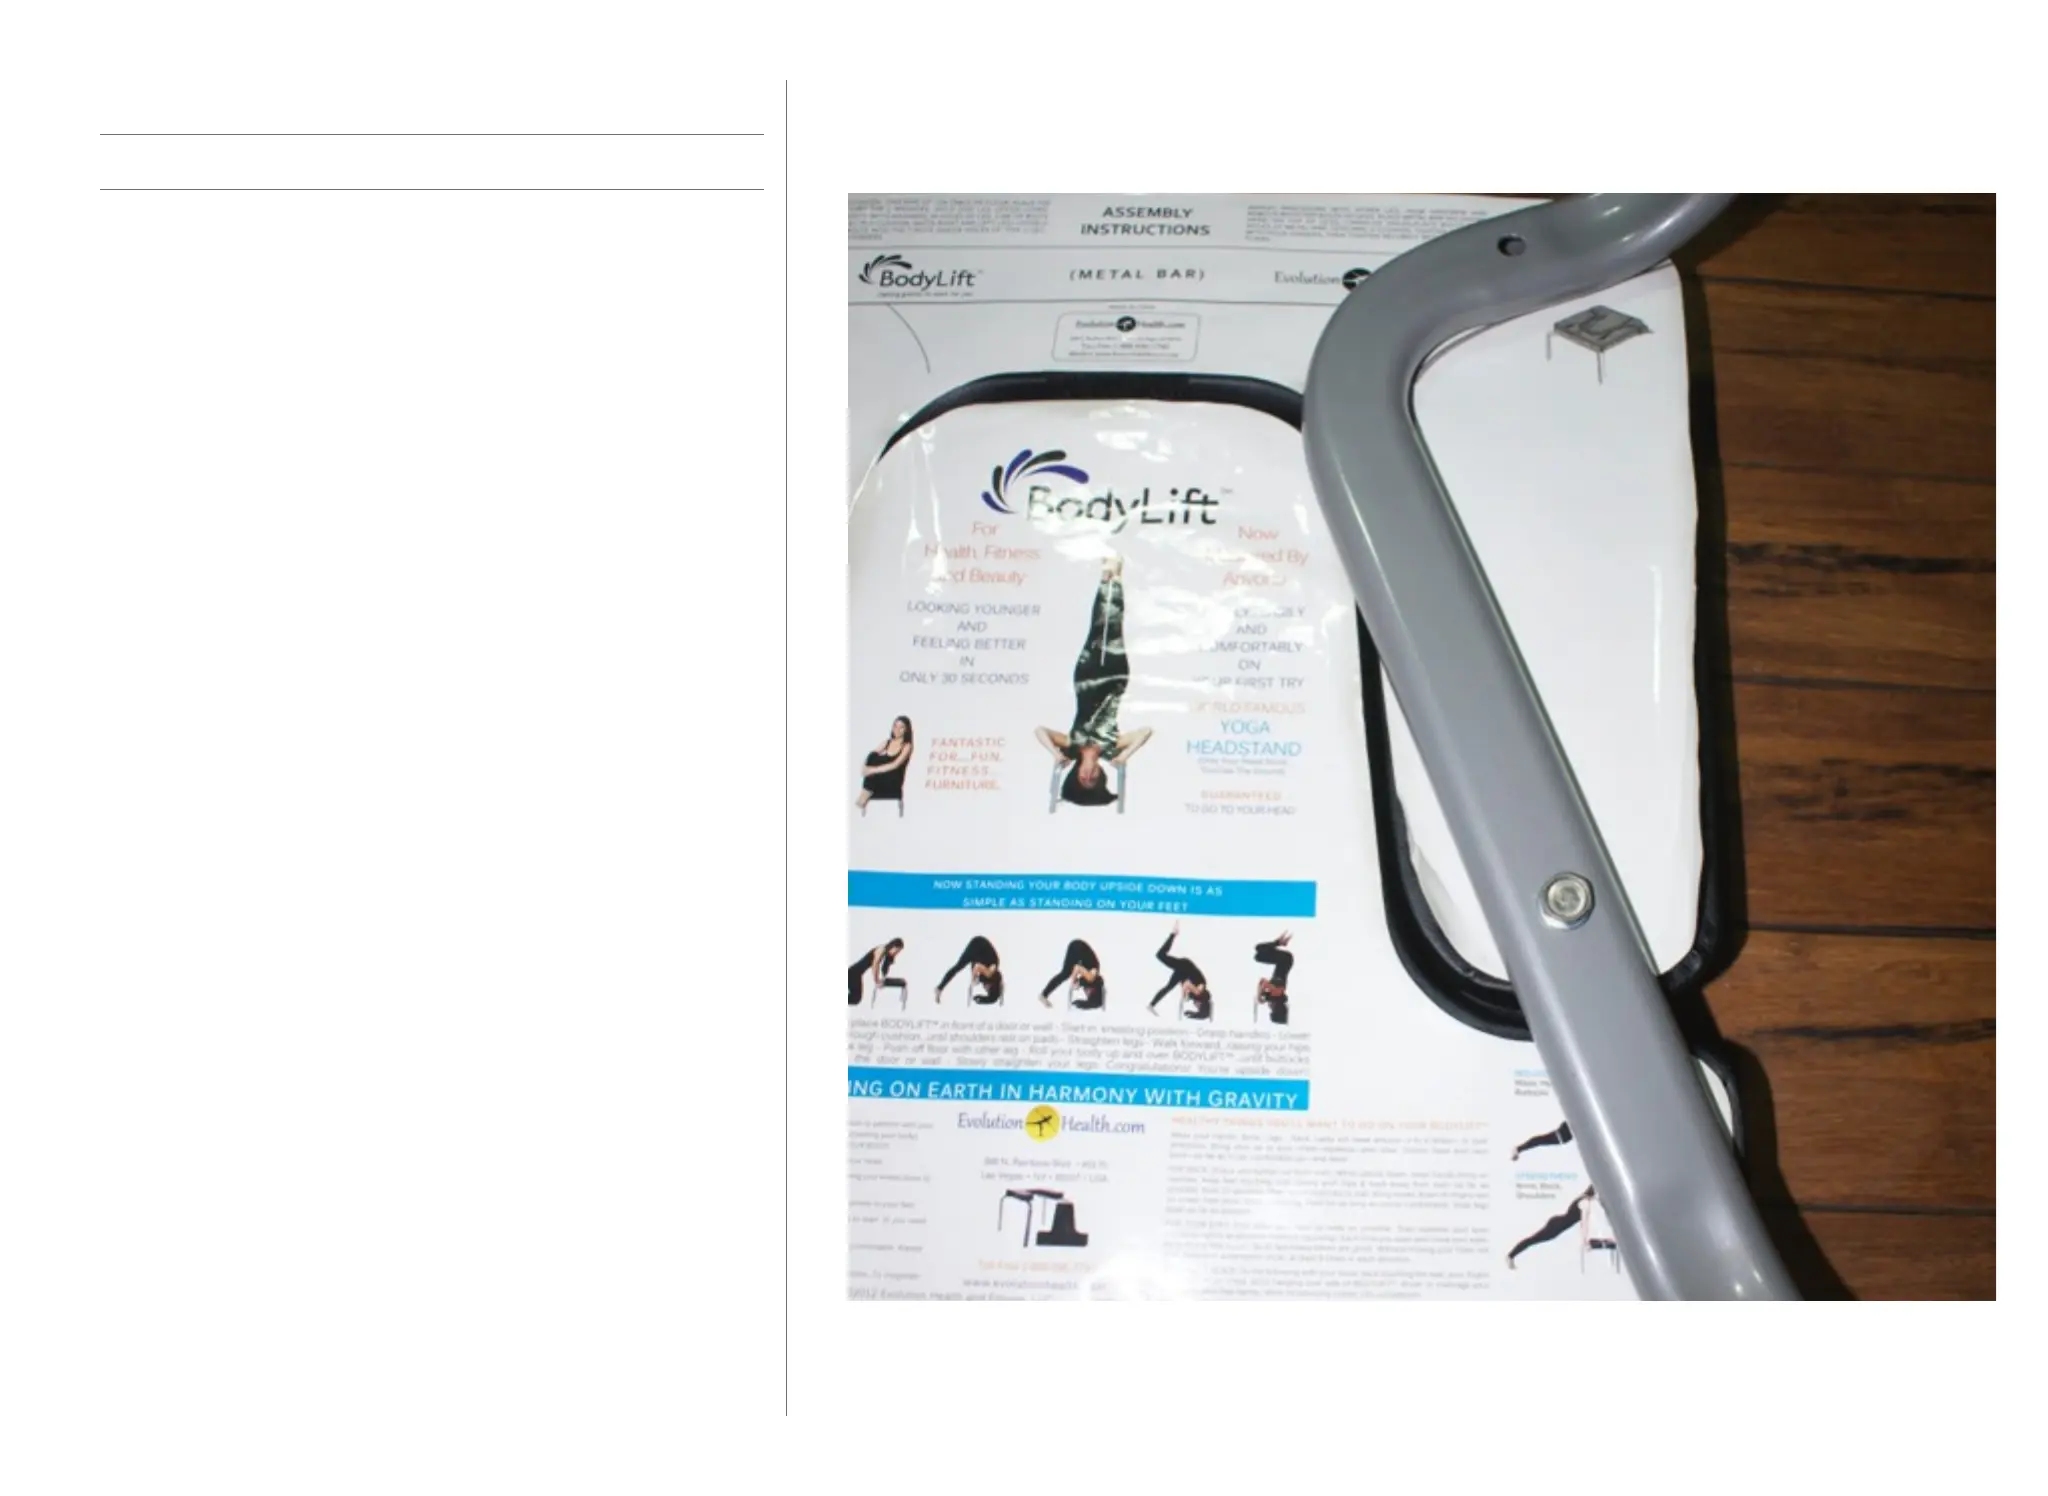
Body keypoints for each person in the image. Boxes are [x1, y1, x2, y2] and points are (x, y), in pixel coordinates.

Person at [1035, 556, 1153, 808]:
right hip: (1115, 681)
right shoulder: (1111, 748)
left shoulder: (1070, 746)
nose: (1089, 775)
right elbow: (1145, 732)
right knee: (1115, 628)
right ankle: (1116, 579)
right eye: (1093, 780)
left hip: (1086, 680)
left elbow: (1039, 731)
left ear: (1076, 774)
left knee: (1097, 628)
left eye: (1083, 778)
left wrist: (1055, 754)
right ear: (1100, 775)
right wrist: (1125, 756)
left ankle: (1104, 579)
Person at [1506, 1184, 1599, 1270]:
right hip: (1557, 1225)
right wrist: (1585, 1240)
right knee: (1533, 1240)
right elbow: (1584, 1223)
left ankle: (1511, 1255)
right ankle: (1510, 1256)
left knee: (1533, 1240)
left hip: (1557, 1224)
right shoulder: (1585, 1202)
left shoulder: (1583, 1199)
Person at [1148, 922, 1209, 1019]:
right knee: (1160, 955)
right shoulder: (1199, 993)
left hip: (1185, 973)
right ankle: (1174, 933)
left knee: (1169, 987)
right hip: (1186, 966)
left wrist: (1185, 994)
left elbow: (1185, 984)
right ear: (1201, 1004)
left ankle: (1151, 1005)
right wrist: (1185, 995)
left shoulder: (1198, 994)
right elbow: (1187, 984)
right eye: (1198, 1007)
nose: (1196, 1006)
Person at [857, 716, 914, 814]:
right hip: (882, 777)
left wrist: (872, 770)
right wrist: (864, 768)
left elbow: (895, 765)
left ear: (906, 730)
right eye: (895, 726)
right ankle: (864, 797)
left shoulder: (907, 746)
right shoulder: (887, 742)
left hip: (894, 780)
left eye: (901, 727)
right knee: (872, 755)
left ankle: (862, 798)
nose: (897, 729)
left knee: (873, 773)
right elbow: (871, 756)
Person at [936, 935, 1003, 1005]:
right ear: (991, 985)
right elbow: (977, 967)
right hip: (978, 944)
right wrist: (974, 978)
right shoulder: (989, 973)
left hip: (979, 953)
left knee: (959, 967)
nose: (985, 988)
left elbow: (999, 988)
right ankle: (939, 988)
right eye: (987, 989)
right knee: (959, 967)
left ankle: (939, 988)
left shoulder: (996, 978)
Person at [1040, 939, 1106, 1010]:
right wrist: (1074, 982)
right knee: (1065, 974)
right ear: (1094, 989)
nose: (1086, 993)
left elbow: (1080, 969)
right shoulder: (1091, 978)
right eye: (1088, 994)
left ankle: (1044, 995)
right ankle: (1043, 995)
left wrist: (1077, 981)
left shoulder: (1091, 977)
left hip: (1078, 949)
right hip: (1078, 948)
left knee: (1065, 974)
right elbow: (1077, 968)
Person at [847, 939, 906, 1008]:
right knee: (855, 998)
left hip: (857, 974)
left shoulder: (887, 954)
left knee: (856, 999)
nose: (897, 953)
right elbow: (875, 965)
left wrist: (883, 979)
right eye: (897, 950)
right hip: (852, 973)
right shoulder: (881, 949)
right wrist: (876, 980)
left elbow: (884, 969)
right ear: (893, 946)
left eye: (898, 952)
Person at [1253, 931, 1294, 1024]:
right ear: (1277, 1008)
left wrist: (1261, 995)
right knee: (1258, 950)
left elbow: (1261, 983)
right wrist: (1259, 996)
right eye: (1272, 1010)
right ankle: (1279, 942)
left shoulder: (1274, 995)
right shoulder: (1278, 992)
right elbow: (1263, 981)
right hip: (1286, 959)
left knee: (1258, 955)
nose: (1270, 1008)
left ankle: (1279, 942)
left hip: (1282, 961)